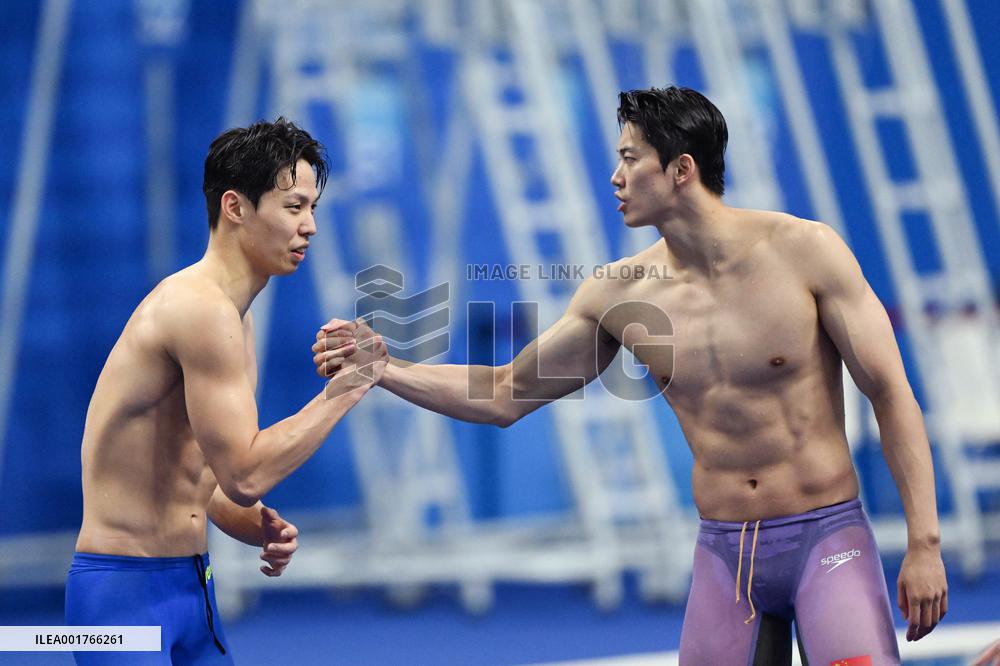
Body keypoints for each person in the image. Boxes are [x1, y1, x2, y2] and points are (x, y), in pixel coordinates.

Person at [314, 87, 947, 665]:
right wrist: (386, 368)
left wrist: (924, 543)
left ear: (681, 169)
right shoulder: (620, 293)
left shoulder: (806, 252)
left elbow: (891, 394)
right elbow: (506, 394)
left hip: (826, 538)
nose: (615, 177)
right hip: (725, 555)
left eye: (629, 158)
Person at [67, 118, 387, 664]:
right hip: (122, 598)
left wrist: (256, 524)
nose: (310, 226)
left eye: (312, 208)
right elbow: (246, 474)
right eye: (293, 207)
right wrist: (352, 383)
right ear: (235, 207)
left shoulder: (237, 318)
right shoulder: (199, 309)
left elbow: (213, 480)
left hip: (194, 587)